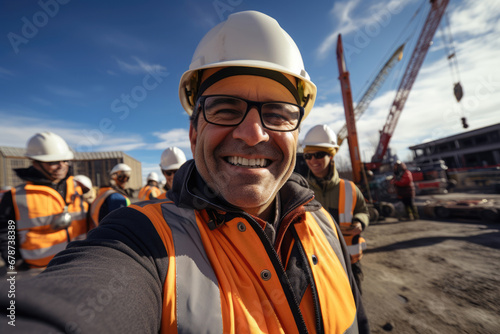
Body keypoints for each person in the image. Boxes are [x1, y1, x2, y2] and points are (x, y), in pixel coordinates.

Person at [1, 11, 369, 333]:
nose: (254, 134)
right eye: (225, 108)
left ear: (297, 134)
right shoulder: (143, 242)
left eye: (278, 113)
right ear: (194, 135)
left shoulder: (323, 224)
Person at [0, 132, 88, 270]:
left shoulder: (78, 187)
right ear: (35, 163)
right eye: (53, 162)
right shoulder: (15, 196)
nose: (62, 166)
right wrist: (14, 261)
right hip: (40, 270)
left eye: (65, 160)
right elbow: (6, 233)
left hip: (80, 262)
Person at [303, 124, 370, 293]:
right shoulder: (301, 192)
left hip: (347, 262)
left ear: (331, 155)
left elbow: (363, 211)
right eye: (308, 156)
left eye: (318, 155)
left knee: (354, 307)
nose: (312, 160)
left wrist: (360, 221)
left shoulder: (349, 188)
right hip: (315, 264)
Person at [89, 163, 131, 227]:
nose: (125, 180)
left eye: (127, 177)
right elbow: (121, 222)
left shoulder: (103, 192)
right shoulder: (115, 196)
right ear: (113, 177)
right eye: (122, 177)